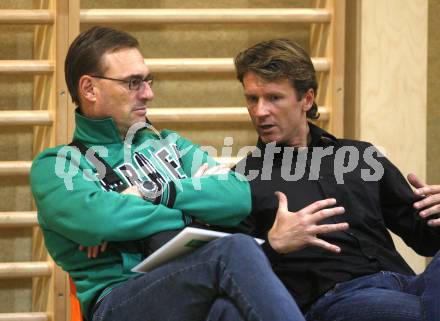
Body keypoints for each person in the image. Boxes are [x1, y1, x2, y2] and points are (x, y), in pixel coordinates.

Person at [29, 27, 325, 321]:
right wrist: (197, 211)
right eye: (133, 82)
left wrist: (152, 193)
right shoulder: (58, 165)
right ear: (90, 89)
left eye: (148, 80)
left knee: (228, 312)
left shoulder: (169, 143)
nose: (149, 93)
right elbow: (102, 220)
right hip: (118, 300)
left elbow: (238, 196)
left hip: (188, 281)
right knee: (235, 248)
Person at [233, 39, 440, 321]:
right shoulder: (242, 180)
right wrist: (273, 244)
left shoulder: (361, 156)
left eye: (273, 98)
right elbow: (231, 273)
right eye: (252, 99)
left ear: (306, 99)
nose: (260, 111)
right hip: (338, 300)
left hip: (411, 287)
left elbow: (426, 241)